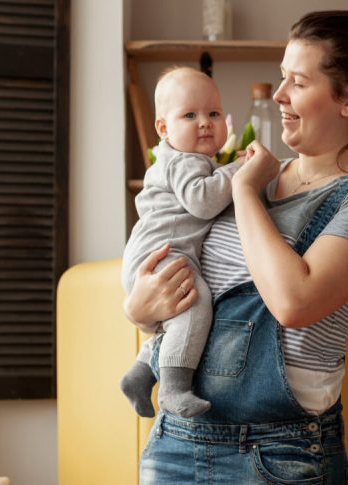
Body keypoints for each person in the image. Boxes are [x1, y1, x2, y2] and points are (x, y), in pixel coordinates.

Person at [122, 10, 348, 484]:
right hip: (175, 442)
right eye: (280, 78)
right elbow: (187, 278)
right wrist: (137, 307)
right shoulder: (250, 173)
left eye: (297, 82)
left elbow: (295, 301)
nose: (278, 96)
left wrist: (245, 192)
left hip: (280, 457)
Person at [119, 66, 241, 419]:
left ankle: (140, 374)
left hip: (152, 255)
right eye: (190, 115)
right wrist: (237, 171)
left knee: (175, 319)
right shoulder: (182, 161)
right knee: (196, 302)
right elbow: (202, 201)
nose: (205, 122)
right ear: (163, 128)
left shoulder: (190, 160)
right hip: (160, 256)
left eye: (213, 113)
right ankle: (174, 389)